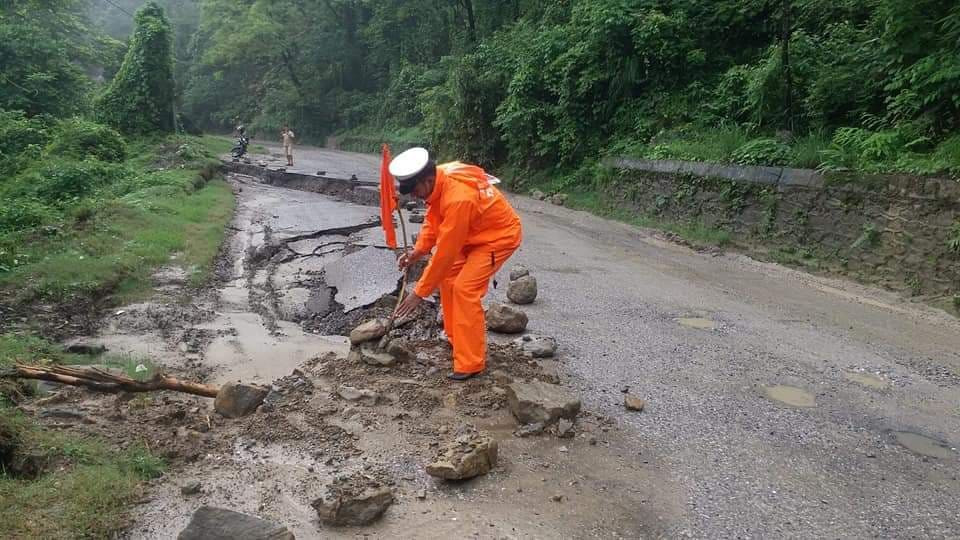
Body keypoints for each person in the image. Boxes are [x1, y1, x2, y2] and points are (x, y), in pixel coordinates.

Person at [392, 147, 523, 381]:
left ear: (428, 179)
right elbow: (434, 221)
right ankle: (455, 338)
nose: (413, 196)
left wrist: (418, 293)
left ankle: (470, 362)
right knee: (448, 278)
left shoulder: (458, 198)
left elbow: (445, 253)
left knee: (465, 289)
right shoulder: (439, 180)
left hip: (496, 237)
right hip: (471, 235)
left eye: (415, 190)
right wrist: (418, 251)